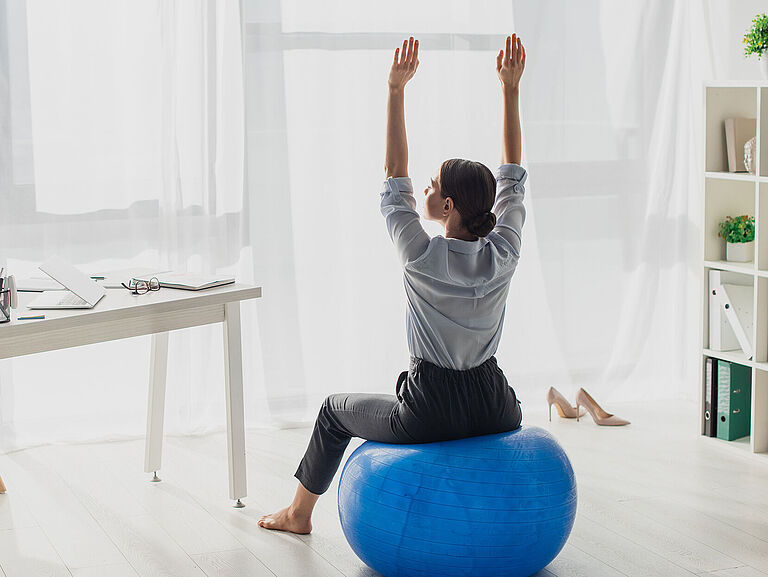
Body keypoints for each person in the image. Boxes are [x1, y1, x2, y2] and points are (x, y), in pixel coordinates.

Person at [258, 34, 528, 534]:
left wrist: (394, 89)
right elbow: (513, 178)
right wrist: (510, 90)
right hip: (496, 404)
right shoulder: (505, 251)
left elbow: (392, 176)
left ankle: (298, 514)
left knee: (332, 412)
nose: (422, 189)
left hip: (431, 410)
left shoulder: (421, 255)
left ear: (447, 207)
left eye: (433, 186)